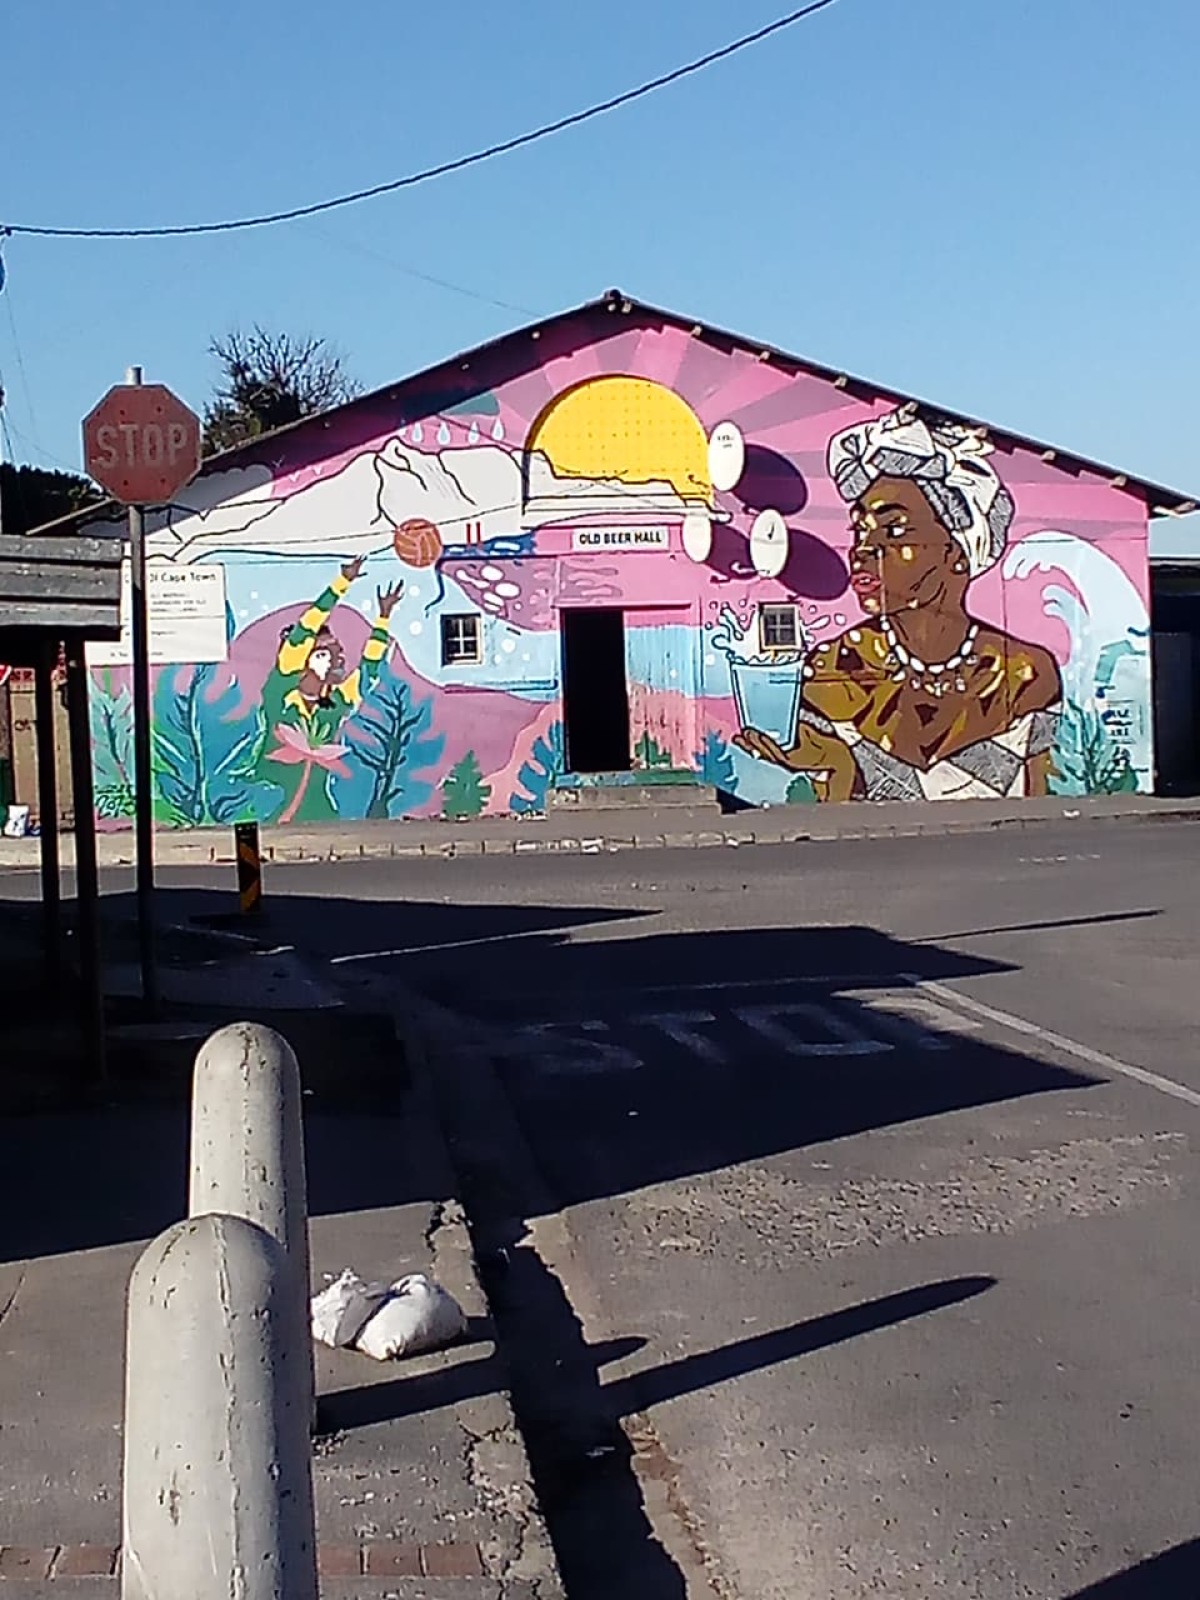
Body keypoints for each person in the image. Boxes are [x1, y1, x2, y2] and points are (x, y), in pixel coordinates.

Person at [735, 405, 1061, 802]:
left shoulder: (1024, 673)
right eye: (859, 530)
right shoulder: (834, 670)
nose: (863, 549)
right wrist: (834, 766)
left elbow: (1046, 806)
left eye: (893, 529)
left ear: (958, 552)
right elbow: (834, 818)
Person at [258, 556, 404, 823]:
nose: (337, 660)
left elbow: (369, 670)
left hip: (319, 810)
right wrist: (342, 583)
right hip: (271, 804)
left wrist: (383, 619)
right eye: (325, 654)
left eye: (338, 653)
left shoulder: (336, 702)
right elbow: (306, 629)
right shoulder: (281, 692)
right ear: (302, 661)